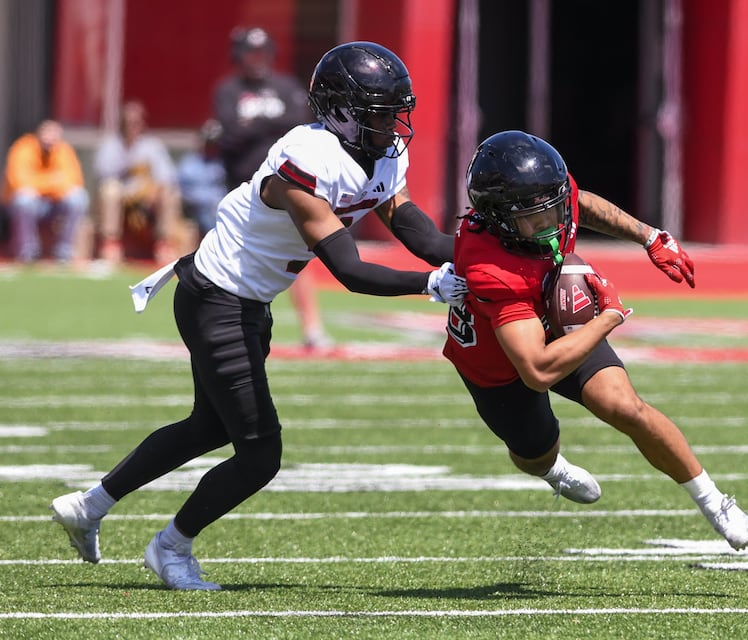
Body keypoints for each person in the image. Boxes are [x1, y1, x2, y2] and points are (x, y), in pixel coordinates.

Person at [50, 41, 467, 590]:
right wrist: (433, 285)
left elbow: (413, 227)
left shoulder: (380, 152)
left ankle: (89, 505)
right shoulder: (307, 158)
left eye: (396, 111)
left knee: (208, 426)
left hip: (243, 301)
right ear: (341, 110)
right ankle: (170, 547)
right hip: (218, 297)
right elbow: (348, 268)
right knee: (260, 453)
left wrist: (471, 255)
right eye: (380, 112)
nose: (393, 125)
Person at [442, 130, 748, 550]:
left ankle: (713, 501)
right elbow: (536, 370)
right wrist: (609, 316)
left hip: (555, 318)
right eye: (534, 219)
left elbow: (580, 203)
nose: (552, 224)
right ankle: (553, 470)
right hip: (497, 359)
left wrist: (649, 236)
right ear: (498, 217)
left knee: (624, 406)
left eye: (552, 209)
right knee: (533, 453)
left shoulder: (549, 197)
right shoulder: (490, 268)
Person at [213, 26, 332, 350]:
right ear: (238, 55)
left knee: (299, 254)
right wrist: (268, 124)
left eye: (262, 52)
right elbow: (228, 134)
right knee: (233, 261)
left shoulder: (284, 85)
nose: (257, 59)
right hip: (242, 189)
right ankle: (226, 327)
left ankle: (312, 328)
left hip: (287, 187)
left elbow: (300, 120)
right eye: (251, 53)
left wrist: (256, 126)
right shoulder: (228, 89)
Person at [93, 100, 184, 264]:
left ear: (142, 123)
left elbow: (167, 176)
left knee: (170, 192)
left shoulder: (152, 145)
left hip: (148, 198)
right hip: (121, 198)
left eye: (136, 122)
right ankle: (111, 244)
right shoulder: (111, 144)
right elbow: (103, 175)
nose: (132, 126)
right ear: (121, 123)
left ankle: (165, 245)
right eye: (128, 122)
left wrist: (150, 189)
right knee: (110, 190)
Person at [2, 119, 89, 263]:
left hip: (54, 203)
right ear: (38, 134)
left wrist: (39, 183)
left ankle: (64, 251)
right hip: (31, 205)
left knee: (79, 198)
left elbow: (74, 180)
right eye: (46, 135)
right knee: (24, 200)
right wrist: (54, 181)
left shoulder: (64, 150)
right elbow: (19, 182)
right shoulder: (23, 148)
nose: (50, 140)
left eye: (54, 136)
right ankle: (27, 251)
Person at [176, 119, 227, 237]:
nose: (211, 147)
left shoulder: (224, 163)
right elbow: (181, 191)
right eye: (208, 143)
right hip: (197, 210)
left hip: (221, 207)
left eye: (214, 143)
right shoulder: (189, 164)